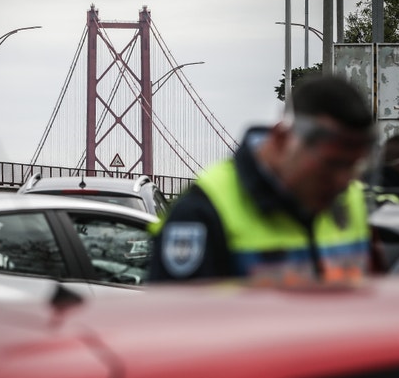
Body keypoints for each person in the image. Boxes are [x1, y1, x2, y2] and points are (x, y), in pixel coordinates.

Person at [148, 75, 377, 285]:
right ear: (281, 139)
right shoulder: (202, 211)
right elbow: (176, 314)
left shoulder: (353, 200)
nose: (343, 181)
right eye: (331, 164)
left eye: (354, 166)